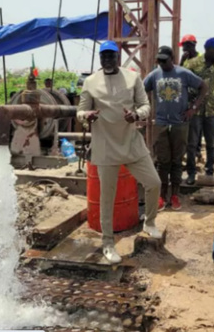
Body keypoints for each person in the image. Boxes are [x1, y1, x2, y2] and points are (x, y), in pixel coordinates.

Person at [77, 40, 163, 264]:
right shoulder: (90, 82)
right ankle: (107, 243)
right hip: (105, 146)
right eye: (103, 56)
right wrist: (87, 116)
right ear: (100, 59)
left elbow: (145, 105)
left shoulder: (132, 77)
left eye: (111, 56)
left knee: (154, 182)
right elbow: (80, 111)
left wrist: (136, 115)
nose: (107, 59)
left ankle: (150, 222)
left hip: (131, 141)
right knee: (107, 198)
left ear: (117, 58)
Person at [144, 46, 208, 210]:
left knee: (177, 161)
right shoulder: (154, 75)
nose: (162, 63)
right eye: (159, 60)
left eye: (165, 60)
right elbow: (141, 90)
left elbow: (204, 87)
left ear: (172, 58)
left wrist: (193, 108)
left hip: (180, 123)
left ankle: (175, 195)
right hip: (161, 123)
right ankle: (162, 195)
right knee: (162, 161)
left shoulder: (183, 74)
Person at [183, 38, 214, 181]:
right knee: (192, 143)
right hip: (195, 110)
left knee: (211, 143)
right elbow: (183, 80)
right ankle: (191, 172)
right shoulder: (193, 64)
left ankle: (210, 171)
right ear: (207, 49)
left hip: (211, 110)